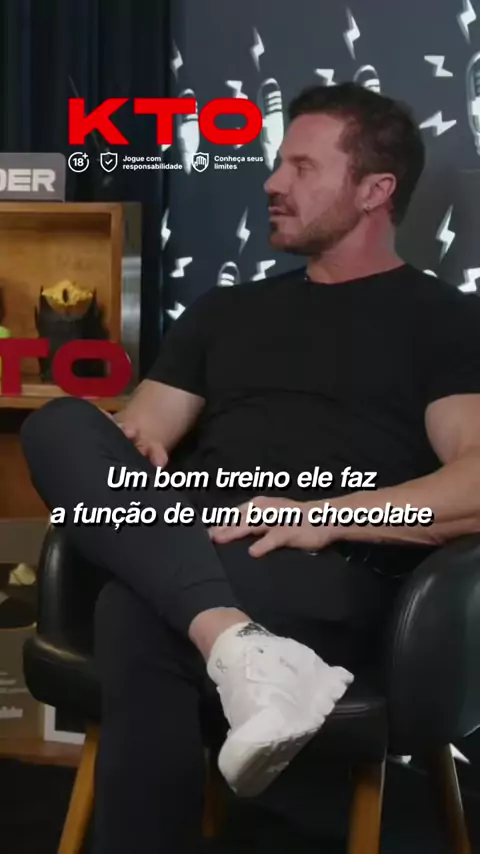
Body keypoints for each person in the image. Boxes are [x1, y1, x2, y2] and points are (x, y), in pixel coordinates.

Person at [21, 82, 480, 853]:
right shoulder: (224, 312)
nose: (271, 182)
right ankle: (239, 645)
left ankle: (235, 643)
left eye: (302, 167)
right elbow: (140, 434)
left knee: (136, 607)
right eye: (277, 163)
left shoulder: (442, 322)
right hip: (192, 541)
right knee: (59, 424)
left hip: (328, 571)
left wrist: (321, 517)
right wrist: (132, 453)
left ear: (375, 190)